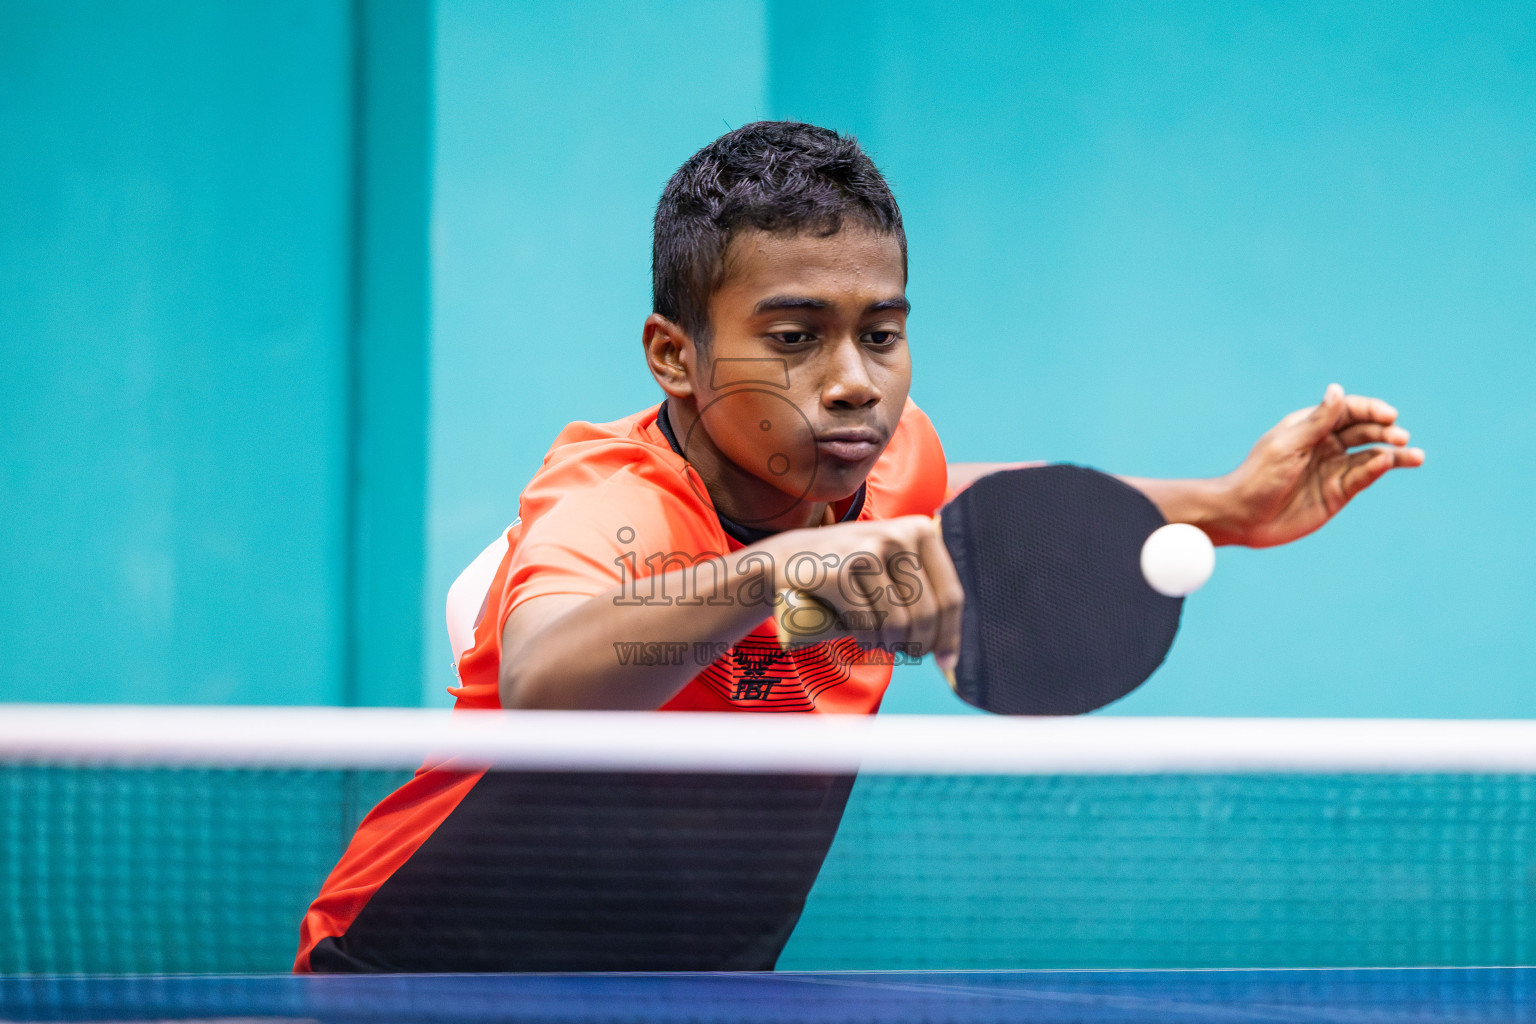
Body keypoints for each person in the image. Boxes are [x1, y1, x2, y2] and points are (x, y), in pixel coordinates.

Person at [294, 121, 1423, 973]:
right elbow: (546, 677)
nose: (853, 381)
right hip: (416, 969)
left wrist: (1223, 505)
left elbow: (979, 509)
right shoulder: (616, 499)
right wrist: (778, 575)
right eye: (793, 338)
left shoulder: (885, 469)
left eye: (882, 334)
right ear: (674, 355)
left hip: (683, 986)